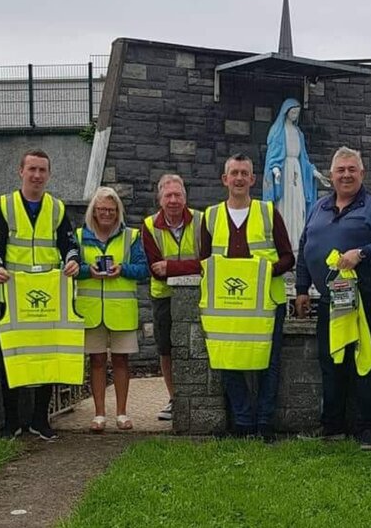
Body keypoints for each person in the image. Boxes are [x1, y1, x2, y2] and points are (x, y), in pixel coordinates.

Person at [295, 146, 371, 450]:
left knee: (364, 362)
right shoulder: (318, 208)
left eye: (351, 169)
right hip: (330, 299)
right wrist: (302, 289)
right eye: (340, 170)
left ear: (362, 173)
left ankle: (369, 430)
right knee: (331, 363)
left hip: (365, 299)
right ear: (331, 175)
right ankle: (332, 427)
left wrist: (363, 253)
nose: (346, 175)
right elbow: (305, 248)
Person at [200, 153, 295, 441]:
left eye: (245, 173)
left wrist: (263, 273)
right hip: (226, 308)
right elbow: (204, 260)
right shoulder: (211, 216)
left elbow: (288, 257)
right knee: (227, 361)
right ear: (224, 179)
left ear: (253, 179)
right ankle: (243, 421)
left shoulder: (268, 212)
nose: (239, 178)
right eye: (234, 173)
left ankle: (264, 423)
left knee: (269, 363)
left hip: (266, 304)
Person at [0, 149, 80, 440]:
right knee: (10, 357)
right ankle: (12, 421)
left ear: (49, 174)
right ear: (21, 171)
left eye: (42, 170)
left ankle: (41, 419)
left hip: (48, 295)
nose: (37, 175)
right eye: (32, 169)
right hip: (12, 295)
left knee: (47, 357)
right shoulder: (5, 206)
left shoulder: (57, 208)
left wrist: (72, 261)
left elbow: (70, 245)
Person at [76, 187, 149, 431]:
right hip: (91, 310)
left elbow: (143, 269)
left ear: (118, 211)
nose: (106, 213)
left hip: (121, 310)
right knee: (95, 361)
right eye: (101, 209)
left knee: (121, 361)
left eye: (111, 209)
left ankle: (122, 413)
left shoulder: (132, 236)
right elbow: (70, 267)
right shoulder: (79, 236)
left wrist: (123, 269)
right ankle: (99, 414)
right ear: (93, 211)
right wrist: (88, 270)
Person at [142, 174, 203, 421]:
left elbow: (208, 262)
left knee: (198, 347)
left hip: (198, 295)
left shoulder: (201, 220)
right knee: (166, 348)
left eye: (178, 195)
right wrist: (190, 266)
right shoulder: (148, 226)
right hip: (164, 298)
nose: (174, 200)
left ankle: (197, 395)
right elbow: (155, 269)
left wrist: (173, 267)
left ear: (185, 198)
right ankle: (174, 398)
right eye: (168, 195)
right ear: (160, 199)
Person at [262, 98, 330, 255]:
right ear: (286, 112)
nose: (294, 115)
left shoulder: (298, 133)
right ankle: (284, 245)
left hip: (298, 173)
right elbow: (273, 157)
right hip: (284, 174)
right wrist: (276, 172)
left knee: (298, 207)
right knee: (285, 206)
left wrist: (316, 173)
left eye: (297, 113)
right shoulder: (278, 131)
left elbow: (304, 159)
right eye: (292, 112)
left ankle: (298, 246)